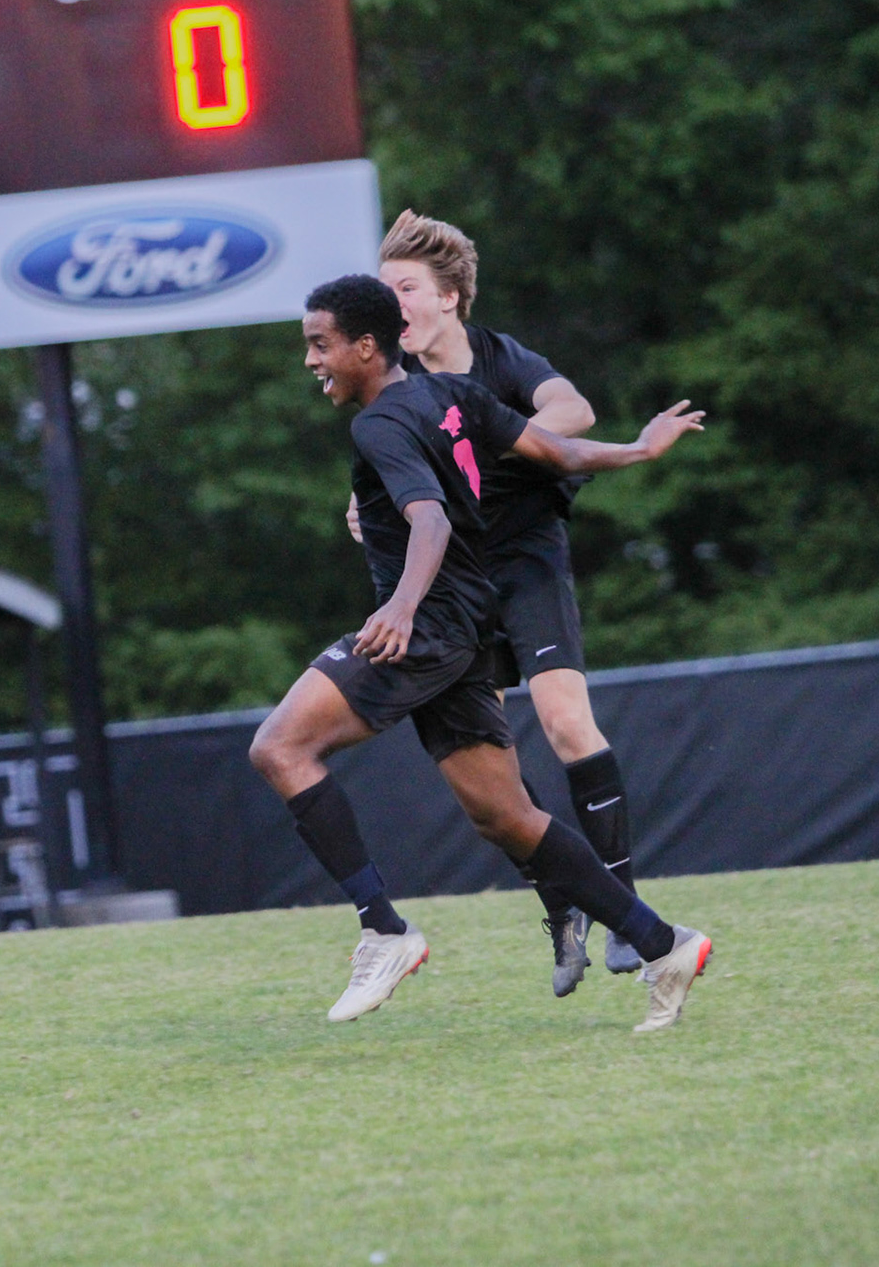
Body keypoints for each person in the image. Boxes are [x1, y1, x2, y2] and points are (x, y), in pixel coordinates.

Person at [250, 275, 711, 1032]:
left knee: (280, 748)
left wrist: (400, 607)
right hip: (470, 632)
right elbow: (555, 450)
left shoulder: (379, 426)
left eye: (319, 344)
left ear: (365, 346)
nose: (311, 360)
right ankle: (664, 945)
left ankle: (384, 932)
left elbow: (429, 522)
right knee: (507, 817)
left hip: (426, 628)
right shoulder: (452, 394)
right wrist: (638, 449)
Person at [347, 209, 645, 994]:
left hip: (526, 559)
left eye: (406, 288)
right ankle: (564, 907)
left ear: (448, 298)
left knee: (565, 719)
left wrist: (483, 439)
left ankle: (627, 913)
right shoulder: (401, 388)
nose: (393, 305)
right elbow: (392, 476)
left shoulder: (498, 359)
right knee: (493, 774)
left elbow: (574, 413)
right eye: (384, 291)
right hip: (460, 579)